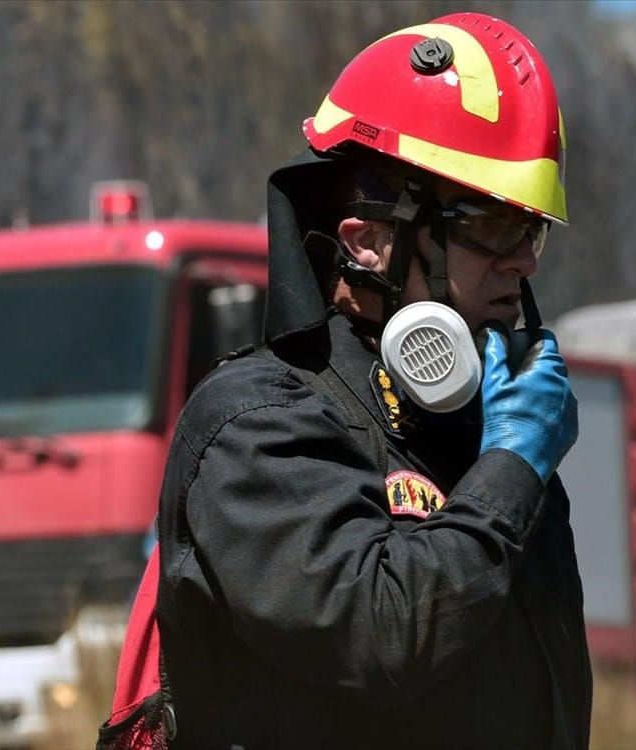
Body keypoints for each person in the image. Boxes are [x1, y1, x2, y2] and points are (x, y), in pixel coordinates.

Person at [154, 11, 590, 749]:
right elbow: (383, 635)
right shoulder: (256, 428)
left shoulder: (483, 446)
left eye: (532, 229)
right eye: (489, 224)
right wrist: (511, 472)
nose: (525, 261)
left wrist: (505, 467)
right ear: (368, 242)